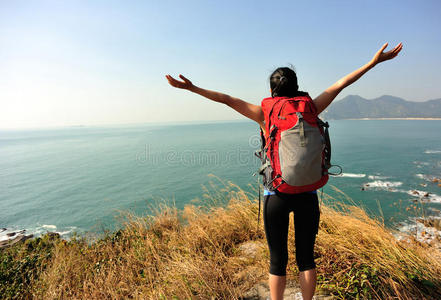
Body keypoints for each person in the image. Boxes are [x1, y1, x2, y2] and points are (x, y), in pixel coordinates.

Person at [165, 42, 402, 300]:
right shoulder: (311, 107)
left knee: (277, 260)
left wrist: (191, 88)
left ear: (271, 89)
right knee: (306, 259)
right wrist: (373, 62)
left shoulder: (264, 113)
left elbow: (226, 99)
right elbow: (341, 83)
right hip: (308, 194)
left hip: (276, 195)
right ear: (296, 86)